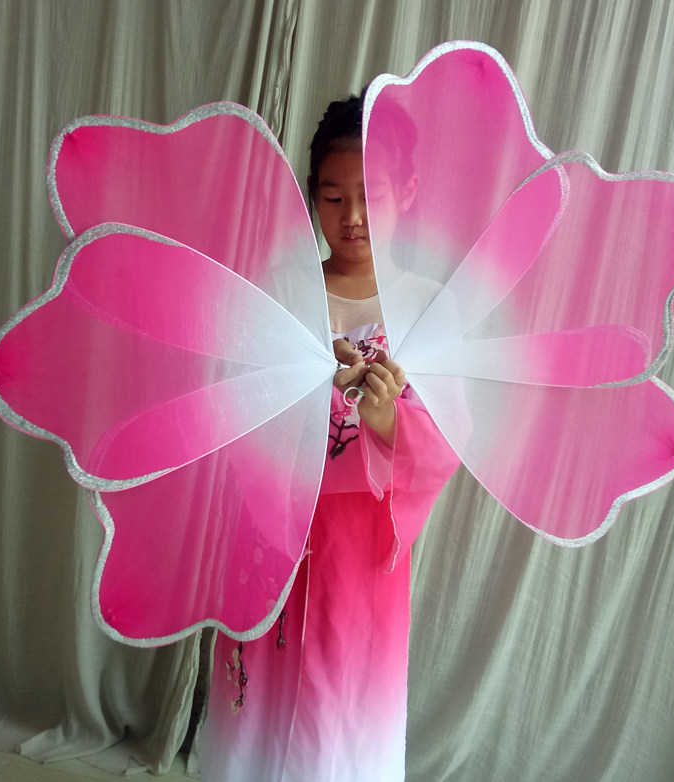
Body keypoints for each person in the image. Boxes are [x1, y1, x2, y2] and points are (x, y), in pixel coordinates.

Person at [194, 93, 459, 782]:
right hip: (273, 531)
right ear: (311, 196)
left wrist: (386, 417)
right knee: (257, 705)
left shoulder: (429, 305)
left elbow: (448, 441)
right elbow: (235, 408)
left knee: (342, 710)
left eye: (370, 196)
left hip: (362, 543)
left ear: (408, 190)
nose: (353, 217)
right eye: (334, 198)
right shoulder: (284, 291)